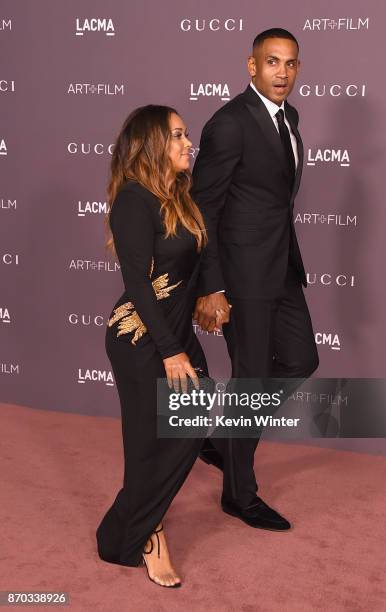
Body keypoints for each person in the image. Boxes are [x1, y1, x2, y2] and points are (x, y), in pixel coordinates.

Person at [192, 28, 319, 530]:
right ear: (251, 67)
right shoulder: (228, 124)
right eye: (272, 63)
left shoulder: (290, 116)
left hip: (281, 267)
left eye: (290, 64)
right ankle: (239, 495)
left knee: (301, 358)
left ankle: (225, 443)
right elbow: (203, 208)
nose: (282, 72)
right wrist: (211, 285)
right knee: (249, 381)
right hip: (241, 277)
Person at [96, 105, 209, 588]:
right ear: (151, 145)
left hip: (175, 332)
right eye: (178, 135)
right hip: (141, 337)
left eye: (187, 134)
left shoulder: (180, 196)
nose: (189, 142)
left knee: (197, 418)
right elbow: (138, 286)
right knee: (146, 443)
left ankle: (121, 526)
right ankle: (145, 536)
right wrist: (170, 349)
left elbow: (196, 264)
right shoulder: (133, 201)